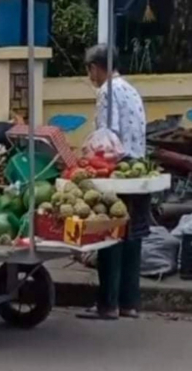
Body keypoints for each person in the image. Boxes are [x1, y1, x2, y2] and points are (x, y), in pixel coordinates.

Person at [78, 44, 150, 320]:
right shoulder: (131, 89)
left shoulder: (107, 91)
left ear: (95, 68)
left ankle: (108, 305)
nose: (90, 76)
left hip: (119, 170)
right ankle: (129, 303)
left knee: (109, 236)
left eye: (90, 70)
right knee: (133, 238)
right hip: (139, 169)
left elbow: (110, 136)